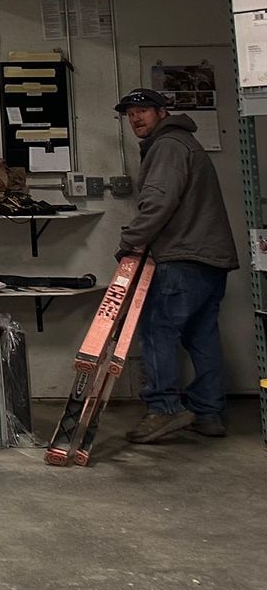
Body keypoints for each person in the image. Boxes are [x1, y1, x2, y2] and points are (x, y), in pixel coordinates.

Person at [113, 87, 239, 444]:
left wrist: (129, 241)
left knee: (157, 330)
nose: (136, 117)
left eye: (144, 110)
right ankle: (208, 412)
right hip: (210, 259)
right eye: (130, 113)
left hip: (182, 258)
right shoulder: (183, 143)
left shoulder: (168, 146)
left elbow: (158, 202)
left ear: (162, 112)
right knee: (202, 335)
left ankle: (164, 409)